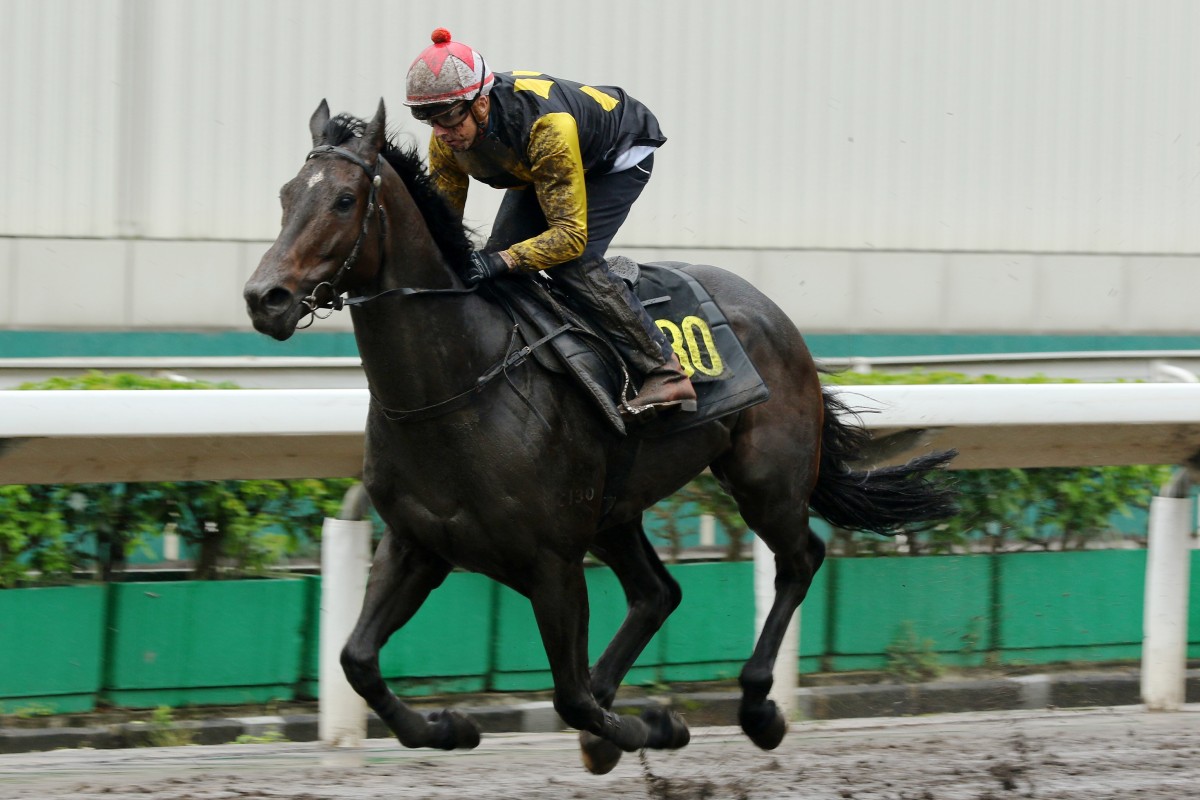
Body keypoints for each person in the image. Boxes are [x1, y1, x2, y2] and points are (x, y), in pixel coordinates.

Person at [404, 28, 697, 417]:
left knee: (570, 261)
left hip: (613, 158)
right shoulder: (446, 140)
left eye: (449, 118)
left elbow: (569, 237)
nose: (442, 132)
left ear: (480, 104)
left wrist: (498, 261)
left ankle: (665, 372)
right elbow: (442, 228)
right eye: (430, 121)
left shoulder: (547, 128)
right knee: (497, 261)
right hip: (538, 166)